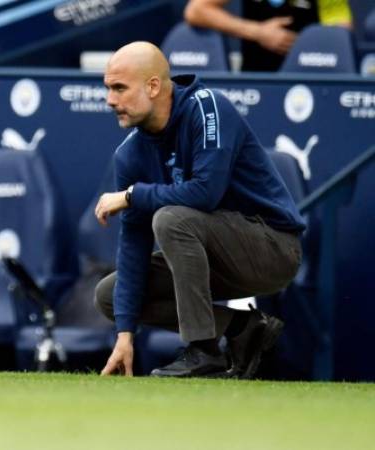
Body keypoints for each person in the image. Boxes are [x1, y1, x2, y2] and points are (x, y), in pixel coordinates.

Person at [94, 41, 305, 377]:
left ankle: (202, 351)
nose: (110, 100)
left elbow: (205, 193)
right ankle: (242, 327)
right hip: (212, 258)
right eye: (108, 88)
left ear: (153, 86)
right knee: (109, 295)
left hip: (273, 248)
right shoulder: (129, 154)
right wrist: (125, 336)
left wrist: (133, 195)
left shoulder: (209, 108)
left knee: (171, 219)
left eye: (119, 88)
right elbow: (134, 244)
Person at [184, 0, 353, 71]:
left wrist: (308, 46)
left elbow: (342, 28)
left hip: (307, 76)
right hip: (256, 81)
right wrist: (259, 32)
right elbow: (196, 10)